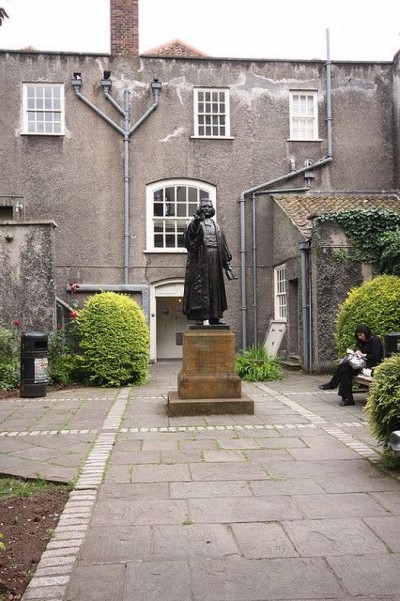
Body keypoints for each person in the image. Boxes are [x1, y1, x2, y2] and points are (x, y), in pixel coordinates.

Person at [182, 198, 237, 325]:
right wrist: (195, 222)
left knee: (215, 289)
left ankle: (215, 318)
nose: (206, 208)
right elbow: (190, 238)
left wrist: (227, 263)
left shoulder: (216, 225)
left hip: (215, 260)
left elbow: (223, 244)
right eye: (204, 206)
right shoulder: (195, 223)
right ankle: (199, 318)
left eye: (208, 206)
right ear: (199, 208)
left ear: (212, 209)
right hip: (201, 261)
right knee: (201, 289)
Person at [318, 324, 383, 406]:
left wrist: (363, 355)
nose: (359, 337)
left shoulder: (375, 340)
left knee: (344, 366)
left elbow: (376, 357)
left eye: (361, 335)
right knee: (346, 373)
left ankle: (332, 384)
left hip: (370, 365)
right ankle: (349, 399)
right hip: (360, 364)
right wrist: (356, 352)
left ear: (366, 333)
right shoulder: (362, 342)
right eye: (358, 336)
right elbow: (358, 349)